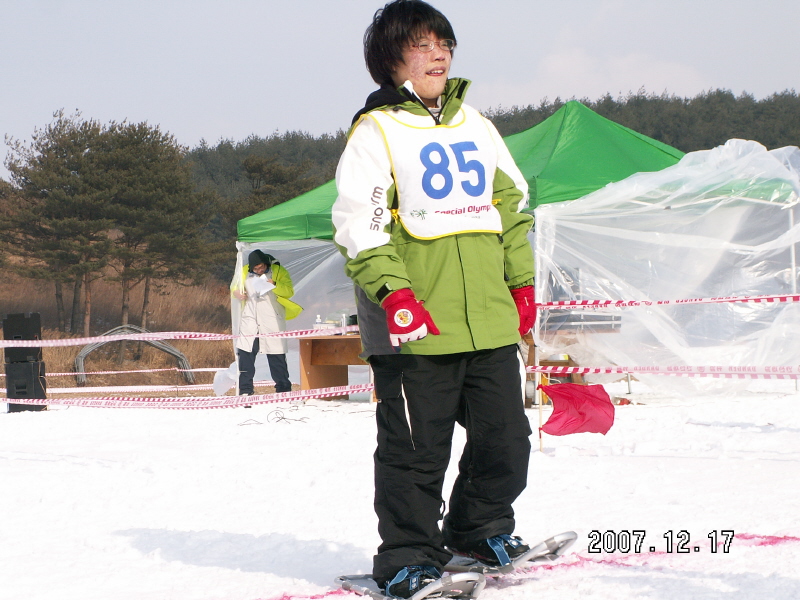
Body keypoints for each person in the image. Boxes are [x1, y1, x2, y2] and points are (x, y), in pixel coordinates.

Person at [331, 1, 537, 597]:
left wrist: (520, 283)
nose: (439, 53)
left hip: (489, 322)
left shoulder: (478, 125)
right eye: (422, 44)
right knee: (417, 453)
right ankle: (406, 556)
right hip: (414, 324)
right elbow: (358, 222)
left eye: (444, 41)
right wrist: (394, 292)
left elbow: (512, 206)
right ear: (391, 60)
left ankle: (478, 529)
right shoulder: (376, 133)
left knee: (506, 441)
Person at [232, 250, 302, 396]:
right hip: (250, 319)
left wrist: (275, 284)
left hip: (272, 318)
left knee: (276, 354)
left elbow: (289, 291)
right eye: (256, 269)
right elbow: (234, 286)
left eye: (261, 267)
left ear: (266, 263)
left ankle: (283, 388)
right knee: (246, 354)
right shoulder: (244, 271)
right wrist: (237, 293)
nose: (259, 271)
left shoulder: (279, 271)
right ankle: (245, 389)